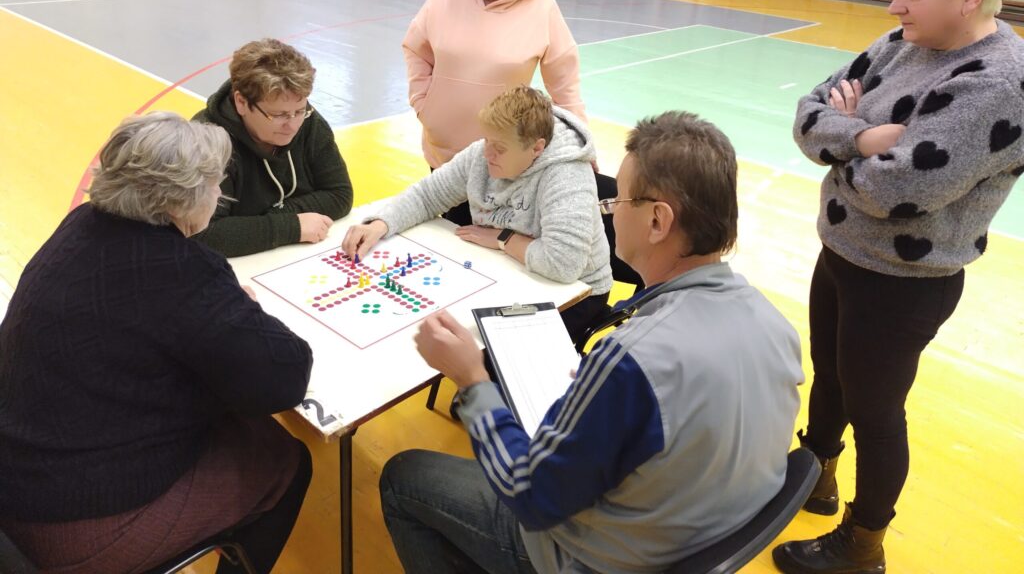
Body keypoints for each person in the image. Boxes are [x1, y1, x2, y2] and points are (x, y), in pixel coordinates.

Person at [378, 111, 804, 574]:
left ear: (658, 221)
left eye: (619, 200)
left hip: (595, 558)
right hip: (695, 535)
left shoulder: (631, 360)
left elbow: (531, 496)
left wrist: (472, 379)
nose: (610, 211)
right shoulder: (775, 324)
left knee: (404, 478)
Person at [774, 0, 1024, 574]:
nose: (894, 4)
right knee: (828, 379)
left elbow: (900, 191)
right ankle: (815, 478)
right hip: (845, 253)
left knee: (876, 410)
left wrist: (852, 138)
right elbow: (807, 114)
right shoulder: (901, 41)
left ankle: (864, 543)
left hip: (904, 284)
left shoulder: (997, 84)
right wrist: (863, 138)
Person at [0, 112, 314, 574]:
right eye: (214, 186)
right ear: (182, 200)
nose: (220, 195)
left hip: (19, 472)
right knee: (285, 461)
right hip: (76, 522)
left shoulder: (81, 224)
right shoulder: (180, 269)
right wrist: (243, 311)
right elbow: (286, 377)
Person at [342, 85, 611, 344]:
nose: (487, 154)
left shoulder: (566, 173)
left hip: (577, 293)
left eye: (500, 148)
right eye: (486, 140)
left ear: (537, 148)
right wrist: (380, 224)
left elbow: (563, 264)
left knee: (483, 347)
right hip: (509, 271)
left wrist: (503, 238)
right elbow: (427, 195)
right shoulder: (484, 153)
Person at [404, 0, 588, 225]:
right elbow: (416, 50)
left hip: (502, 163)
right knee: (448, 237)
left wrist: (583, 149)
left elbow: (565, 87)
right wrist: (424, 105)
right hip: (443, 154)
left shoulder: (542, 7)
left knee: (486, 249)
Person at [193, 37, 353, 257]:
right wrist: (290, 227)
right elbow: (202, 234)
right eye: (278, 115)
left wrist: (272, 218)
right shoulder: (205, 142)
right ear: (241, 102)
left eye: (299, 110)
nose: (293, 124)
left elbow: (340, 194)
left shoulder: (309, 120)